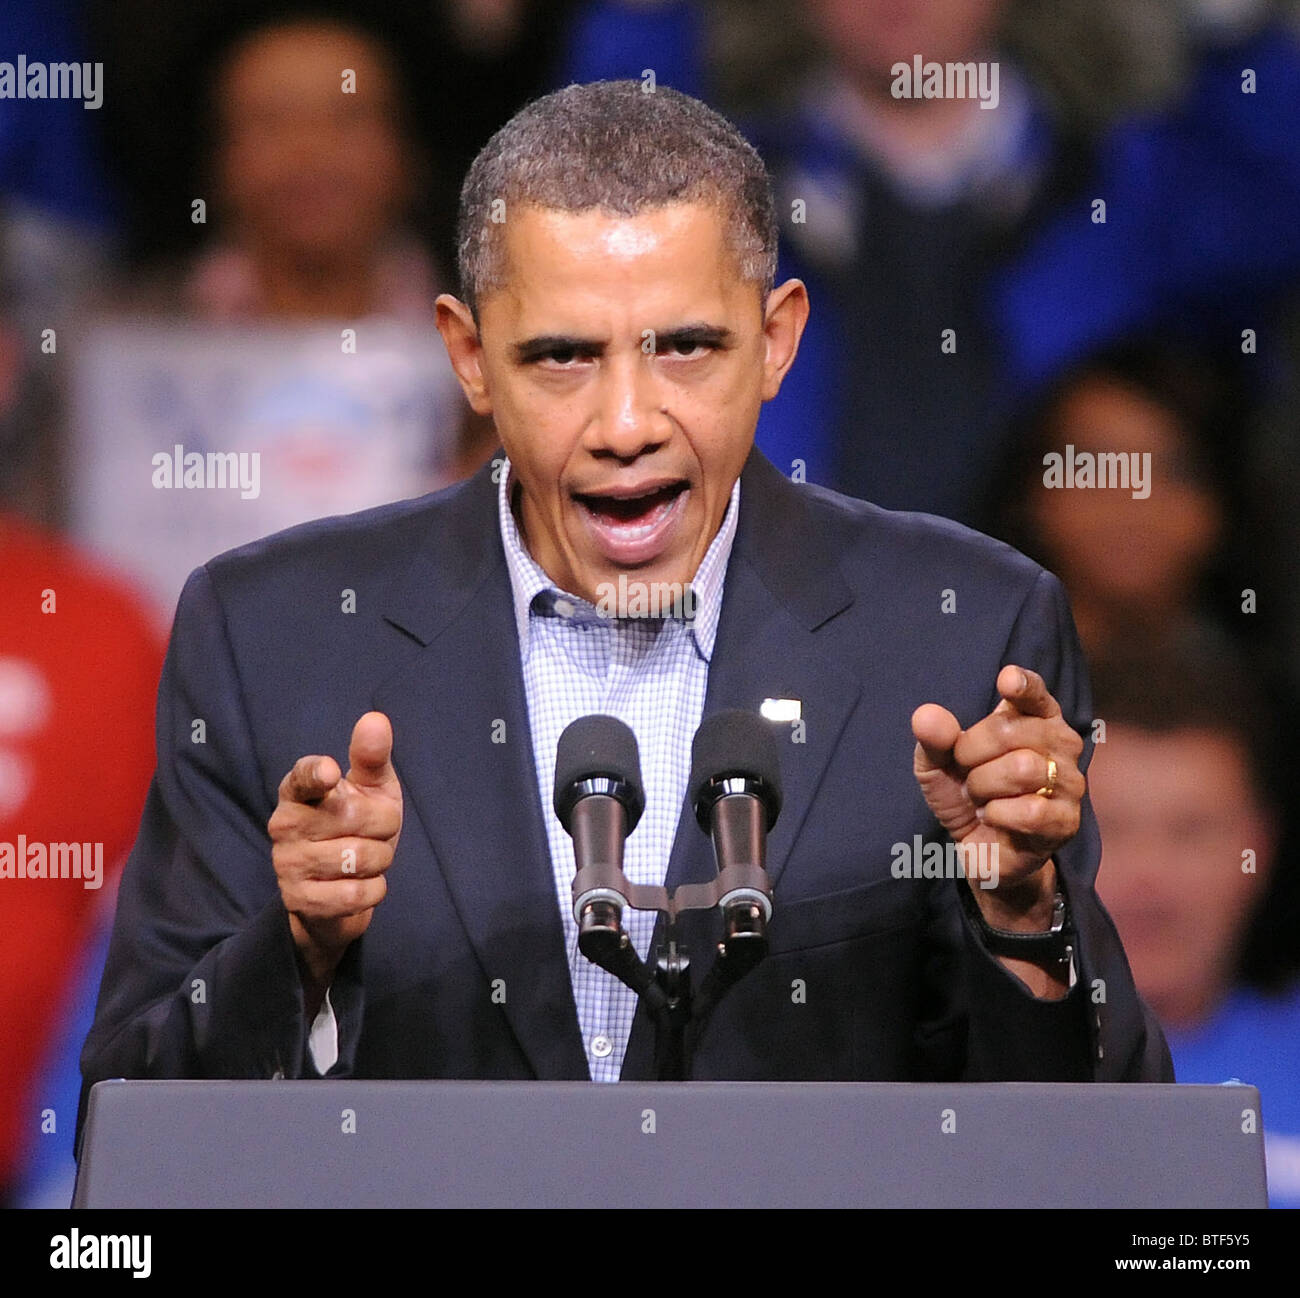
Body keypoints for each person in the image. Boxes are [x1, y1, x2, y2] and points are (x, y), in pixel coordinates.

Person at [79, 82, 1169, 1133]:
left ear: (777, 338)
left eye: (686, 347)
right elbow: (127, 1125)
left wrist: (1018, 912)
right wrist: (297, 947)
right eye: (562, 356)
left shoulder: (961, 631)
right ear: (468, 356)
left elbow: (1100, 1140)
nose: (627, 421)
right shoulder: (271, 635)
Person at [1087, 639, 1300, 1207]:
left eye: (1191, 831)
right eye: (1115, 830)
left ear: (1258, 850)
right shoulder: (965, 1072)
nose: (1150, 878)